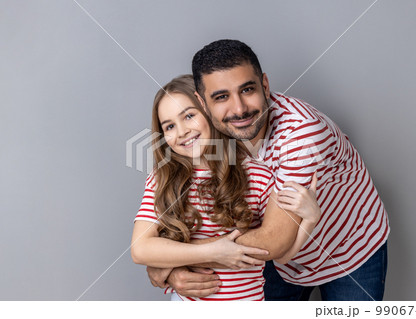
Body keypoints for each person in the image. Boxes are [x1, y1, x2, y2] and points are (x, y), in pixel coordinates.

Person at [147, 40, 390, 301]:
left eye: (247, 89)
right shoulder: (207, 131)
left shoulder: (303, 136)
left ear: (264, 85)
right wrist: (170, 262)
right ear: (202, 102)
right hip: (274, 259)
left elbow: (274, 240)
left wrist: (169, 258)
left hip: (346, 247)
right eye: (221, 97)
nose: (239, 109)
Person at [131, 75, 321, 300]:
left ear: (210, 111)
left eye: (189, 116)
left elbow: (281, 255)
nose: (181, 131)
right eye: (169, 126)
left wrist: (310, 219)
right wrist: (214, 252)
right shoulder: (162, 178)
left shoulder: (257, 175)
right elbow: (140, 249)